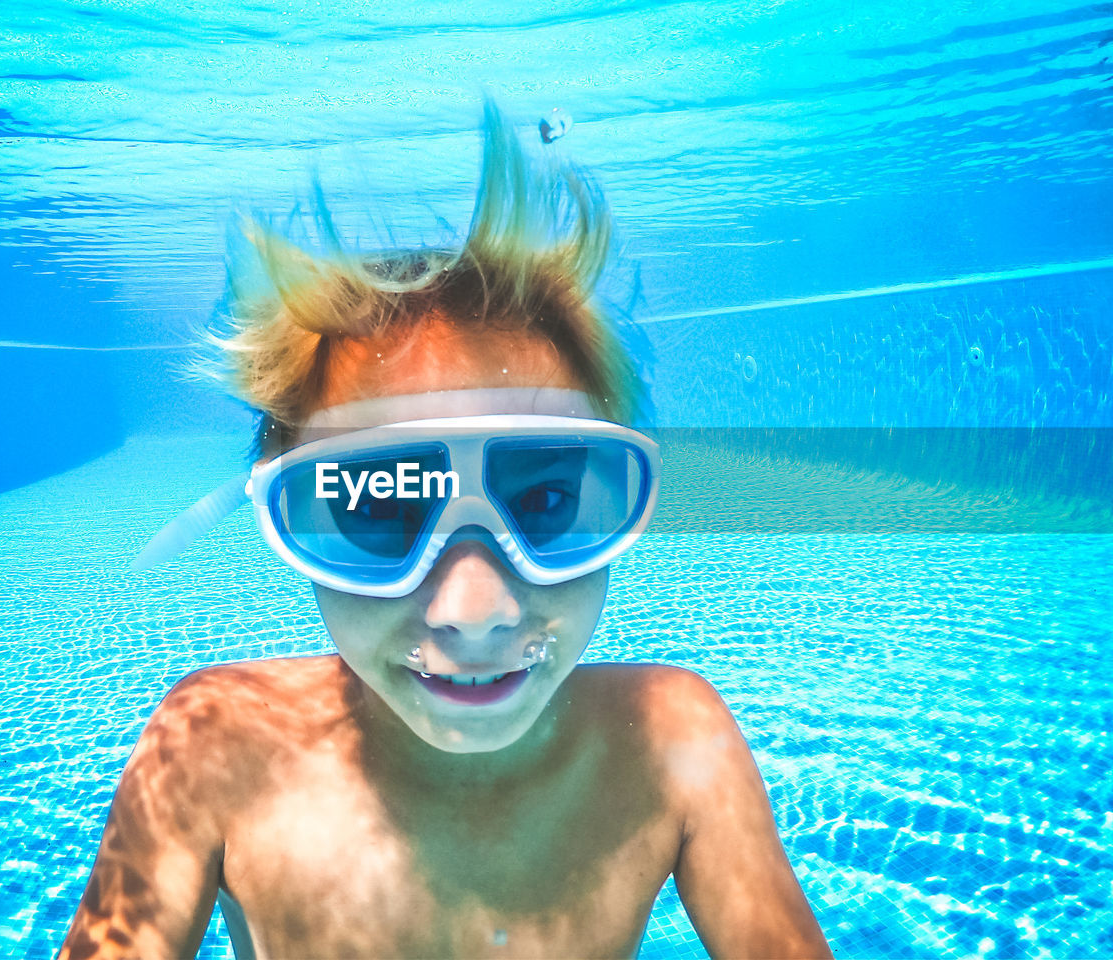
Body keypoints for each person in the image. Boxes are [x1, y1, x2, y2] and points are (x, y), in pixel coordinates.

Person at [60, 102, 831, 960]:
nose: (475, 610)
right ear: (285, 529)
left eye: (543, 505)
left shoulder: (672, 744)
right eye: (380, 505)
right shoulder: (216, 746)